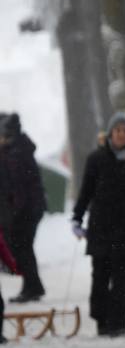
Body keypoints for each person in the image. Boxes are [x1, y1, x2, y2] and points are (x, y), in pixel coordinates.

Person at [71, 112, 125, 337]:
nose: (122, 134)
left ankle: (119, 324)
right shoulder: (96, 159)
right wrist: (77, 218)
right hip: (100, 229)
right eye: (118, 130)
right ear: (110, 133)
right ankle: (102, 321)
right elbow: (85, 192)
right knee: (100, 279)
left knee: (122, 280)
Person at [0, 112, 49, 303]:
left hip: (26, 210)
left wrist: (14, 214)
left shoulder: (14, 153)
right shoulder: (16, 150)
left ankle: (33, 286)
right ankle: (32, 286)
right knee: (23, 247)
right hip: (28, 208)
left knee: (21, 247)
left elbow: (17, 187)